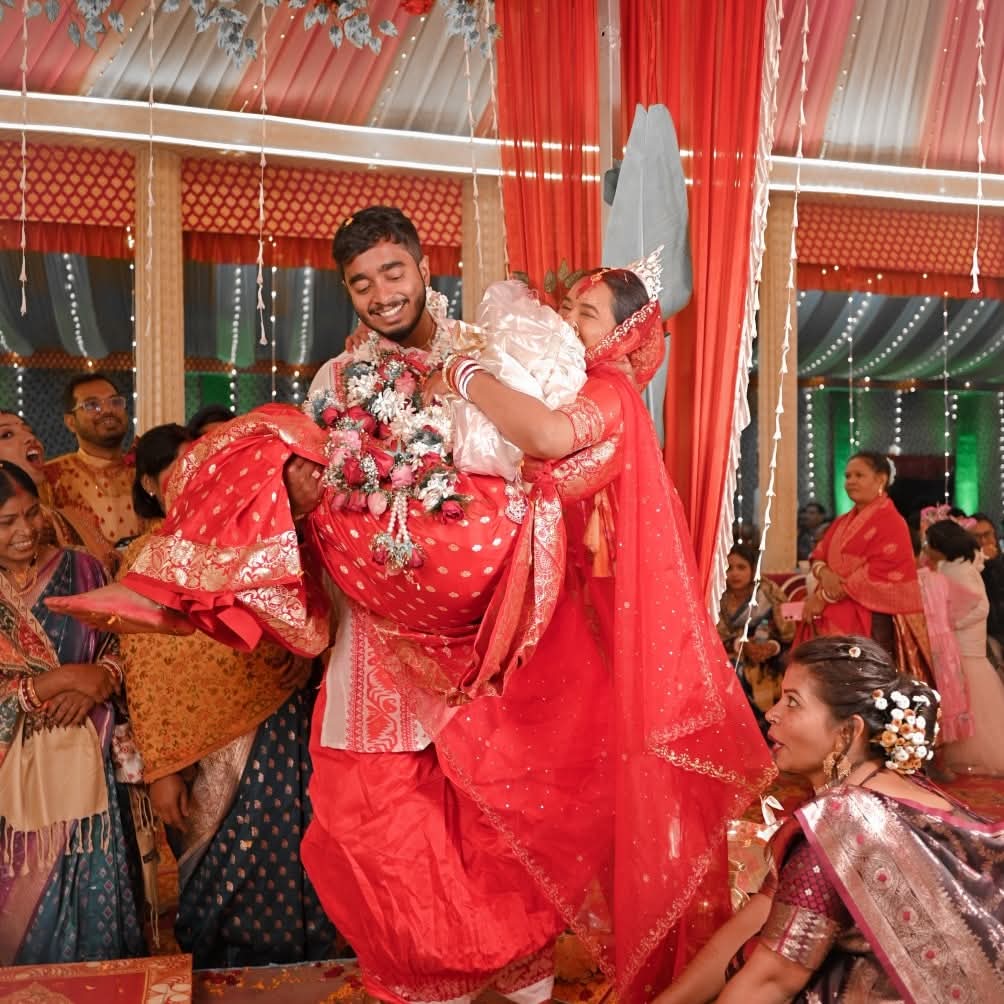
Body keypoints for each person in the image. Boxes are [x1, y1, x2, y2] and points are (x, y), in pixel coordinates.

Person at [49, 209, 771, 1003]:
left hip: (485, 631)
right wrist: (300, 492)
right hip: (375, 634)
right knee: (375, 820)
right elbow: (323, 481)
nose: (381, 294)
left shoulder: (490, 350)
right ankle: (427, 977)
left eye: (393, 273)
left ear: (425, 267)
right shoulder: (334, 379)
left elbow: (543, 457)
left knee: (495, 817)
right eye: (361, 283)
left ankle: (518, 974)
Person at [653, 635, 1004, 1004]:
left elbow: (769, 981)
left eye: (793, 702)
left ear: (848, 732)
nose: (772, 713)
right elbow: (758, 915)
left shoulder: (841, 825)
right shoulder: (906, 790)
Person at [116, 423, 338, 968]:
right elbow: (144, 670)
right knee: (220, 876)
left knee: (296, 856)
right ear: (150, 485)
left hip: (280, 729)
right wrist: (163, 767)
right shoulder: (146, 557)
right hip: (200, 754)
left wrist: (304, 653)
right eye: (183, 471)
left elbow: (316, 620)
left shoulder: (271, 544)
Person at [0, 461, 146, 965]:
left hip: (90, 773)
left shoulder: (82, 569)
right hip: (10, 791)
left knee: (94, 907)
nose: (25, 531)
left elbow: (121, 648)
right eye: (6, 522)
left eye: (31, 514)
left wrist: (99, 680)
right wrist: (58, 680)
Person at [800, 450, 932, 680]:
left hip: (870, 620)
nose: (850, 481)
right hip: (832, 617)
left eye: (859, 475)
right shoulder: (842, 521)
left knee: (860, 687)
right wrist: (825, 573)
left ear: (880, 479)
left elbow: (881, 571)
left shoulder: (892, 522)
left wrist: (823, 597)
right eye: (847, 475)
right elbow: (818, 554)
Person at [924, 518, 1004, 776]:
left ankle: (971, 752)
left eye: (929, 543)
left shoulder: (957, 570)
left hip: (965, 641)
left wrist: (952, 623)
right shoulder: (957, 565)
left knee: (969, 695)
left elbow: (980, 606)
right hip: (964, 638)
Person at [45, 372, 146, 547]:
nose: (107, 410)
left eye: (115, 402)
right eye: (92, 405)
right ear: (70, 422)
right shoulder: (51, 477)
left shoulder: (147, 469)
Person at [0, 410, 112, 566]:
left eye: (29, 431)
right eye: (7, 435)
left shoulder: (70, 517)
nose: (30, 438)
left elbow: (111, 566)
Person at [717, 542, 795, 718]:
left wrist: (771, 646)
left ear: (753, 569)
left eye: (741, 567)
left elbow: (788, 632)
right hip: (729, 652)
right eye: (729, 568)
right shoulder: (718, 594)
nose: (734, 573)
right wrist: (740, 645)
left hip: (771, 652)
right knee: (732, 670)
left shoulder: (768, 591)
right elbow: (713, 636)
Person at [970, 512, 1004, 671]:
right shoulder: (969, 568)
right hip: (986, 634)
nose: (983, 541)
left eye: (987, 535)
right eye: (977, 537)